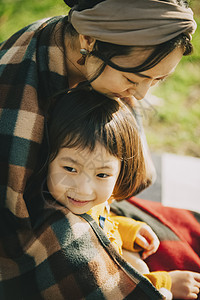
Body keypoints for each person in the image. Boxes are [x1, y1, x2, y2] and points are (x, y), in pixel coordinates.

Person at [0, 0, 197, 298]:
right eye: (133, 78)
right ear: (88, 40)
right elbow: (18, 224)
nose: (142, 94)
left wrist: (119, 229)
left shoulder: (88, 56)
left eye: (158, 80)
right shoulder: (16, 95)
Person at [45, 88, 200, 299]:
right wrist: (164, 283)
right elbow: (98, 286)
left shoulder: (85, 199)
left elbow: (101, 219)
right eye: (70, 169)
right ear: (47, 158)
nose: (83, 188)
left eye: (102, 174)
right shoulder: (56, 226)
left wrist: (126, 231)